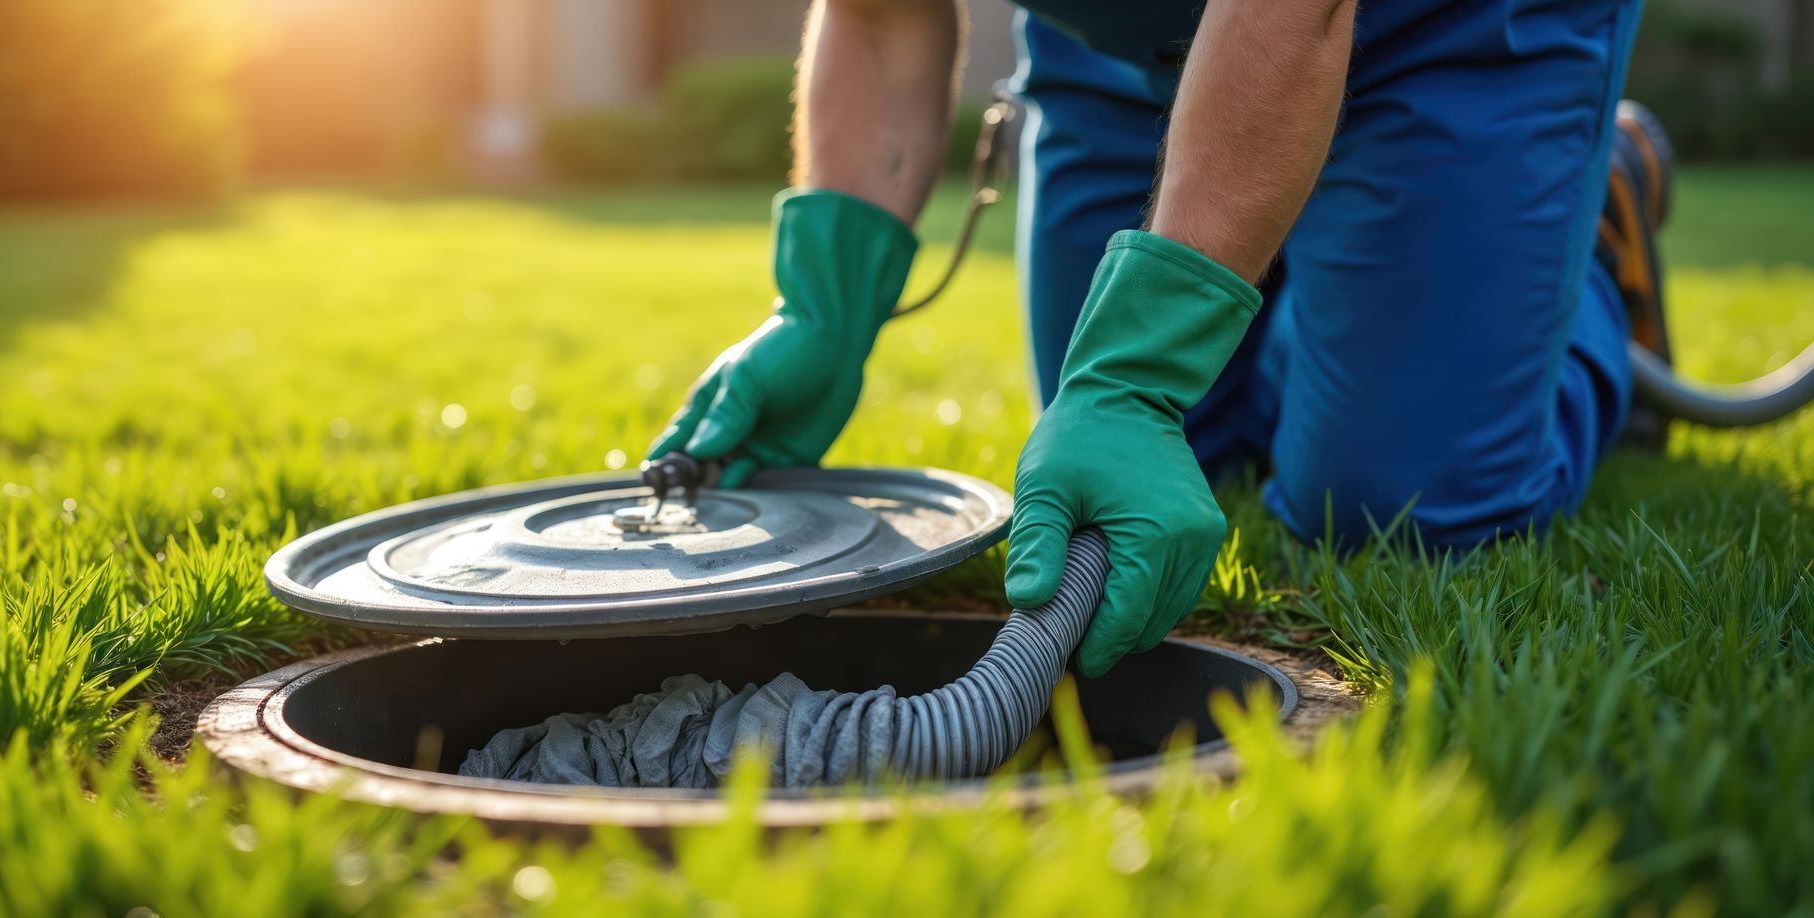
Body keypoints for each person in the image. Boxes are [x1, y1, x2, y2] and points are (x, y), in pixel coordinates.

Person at [647, 0, 1673, 677]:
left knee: (1386, 506)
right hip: (1119, 50)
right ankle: (1352, 313)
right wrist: (825, 307)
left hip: (1452, 31)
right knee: (1184, 462)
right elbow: (879, 11)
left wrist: (1135, 377)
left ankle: (1594, 261)